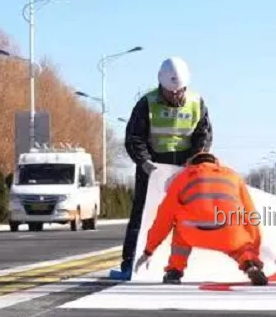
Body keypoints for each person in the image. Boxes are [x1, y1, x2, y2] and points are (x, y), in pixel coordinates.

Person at [111, 57, 212, 280]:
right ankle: (130, 264)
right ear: (161, 85)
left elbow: (203, 135)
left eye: (179, 91)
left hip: (185, 168)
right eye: (170, 92)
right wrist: (145, 162)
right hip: (152, 167)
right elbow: (134, 137)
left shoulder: (197, 103)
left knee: (187, 217)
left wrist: (195, 160)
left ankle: (182, 265)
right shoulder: (146, 103)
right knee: (142, 215)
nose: (175, 96)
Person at [133, 152, 267, 285]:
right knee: (241, 247)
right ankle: (250, 265)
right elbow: (250, 213)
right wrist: (254, 249)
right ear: (216, 162)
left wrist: (149, 250)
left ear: (191, 164)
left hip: (193, 233)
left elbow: (164, 217)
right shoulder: (233, 176)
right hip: (229, 231)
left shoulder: (182, 177)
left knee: (179, 226)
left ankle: (174, 271)